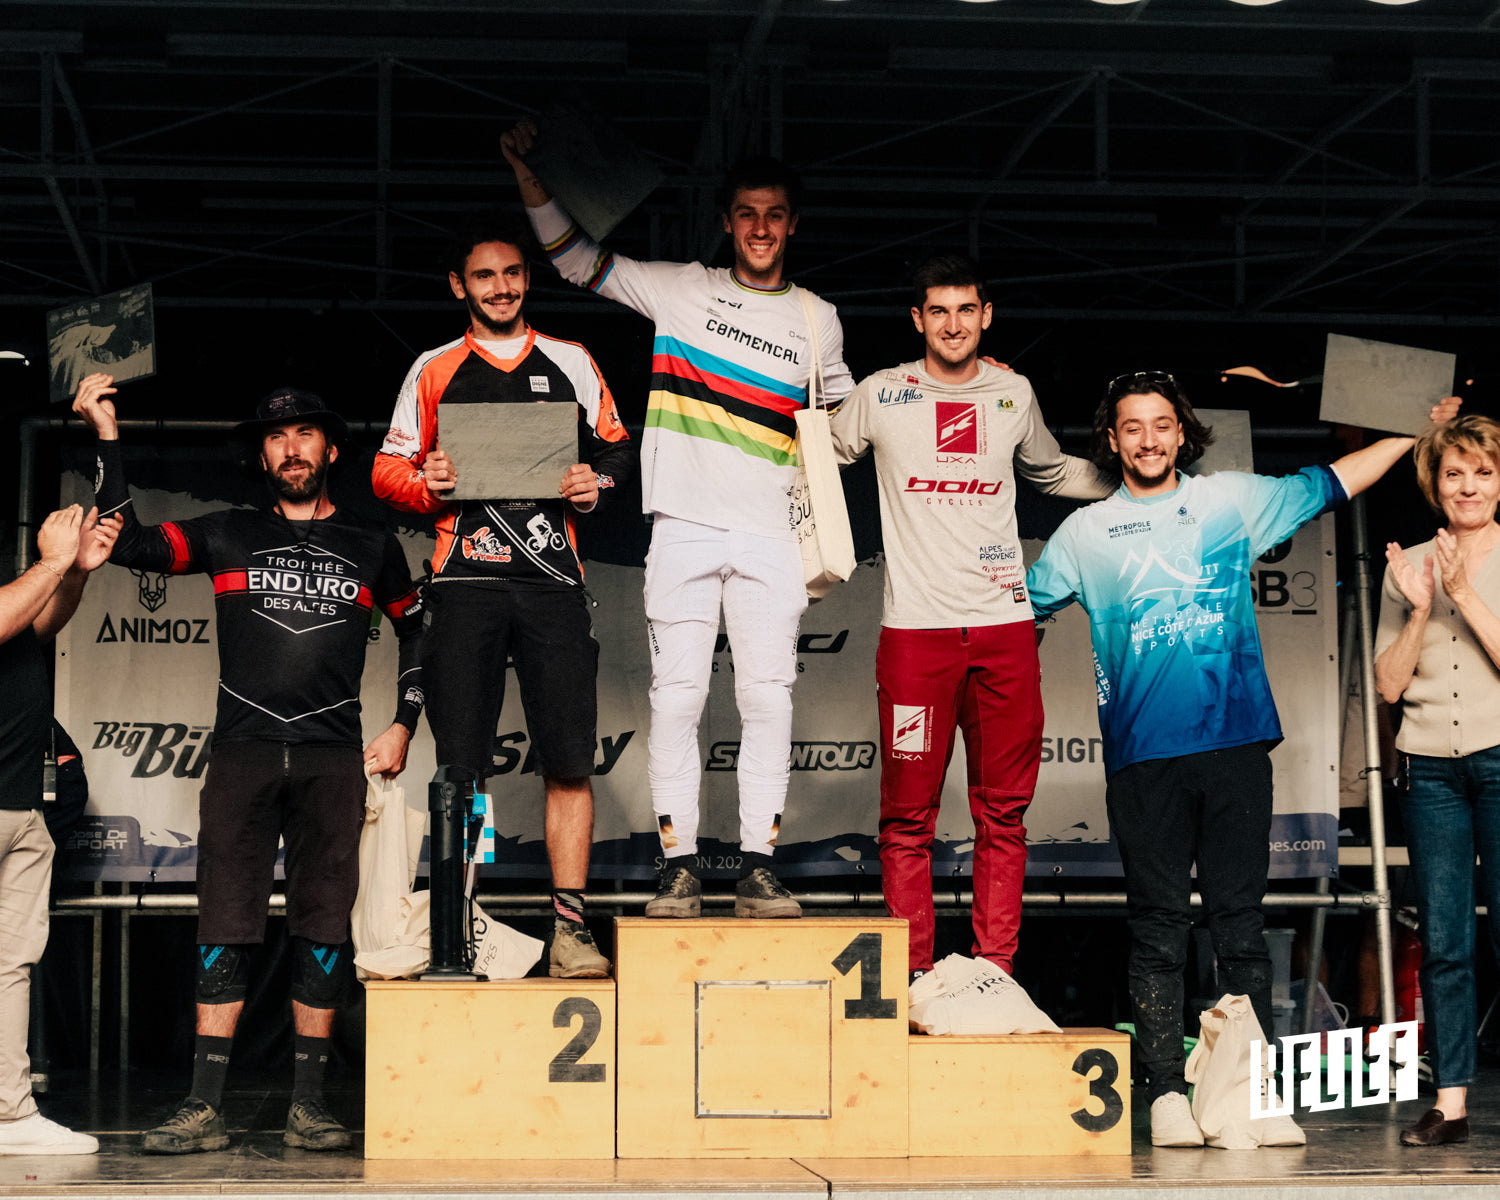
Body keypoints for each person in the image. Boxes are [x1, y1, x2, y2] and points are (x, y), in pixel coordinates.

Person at [1026, 370, 1460, 1149]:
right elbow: (1014, 614)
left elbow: (1332, 482)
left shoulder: (1227, 501)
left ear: (1181, 432)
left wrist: (1412, 433)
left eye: (1162, 424)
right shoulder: (1084, 535)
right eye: (1133, 427)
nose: (1149, 440)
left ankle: (1249, 1098)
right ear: (1113, 440)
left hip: (1234, 747)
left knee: (1240, 929)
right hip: (1142, 761)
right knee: (1158, 930)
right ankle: (1166, 1094)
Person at [501, 119, 853, 918]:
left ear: (793, 224)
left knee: (769, 699)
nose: (760, 228)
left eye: (774, 215)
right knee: (677, 699)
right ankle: (679, 867)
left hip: (772, 533)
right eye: (747, 213)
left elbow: (843, 418)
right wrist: (528, 174)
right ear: (726, 221)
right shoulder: (681, 288)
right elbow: (574, 261)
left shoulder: (817, 317)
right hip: (683, 526)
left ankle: (759, 865)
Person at [72, 373, 425, 1154]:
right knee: (224, 925)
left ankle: (310, 1106)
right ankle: (204, 1106)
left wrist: (405, 722)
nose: (291, 448)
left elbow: (417, 629)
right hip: (242, 754)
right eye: (275, 437)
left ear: (330, 450)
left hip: (333, 758)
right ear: (261, 457)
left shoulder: (373, 544)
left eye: (305, 434)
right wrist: (107, 435)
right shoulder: (228, 531)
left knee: (323, 926)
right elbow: (130, 543)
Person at [829, 254, 1111, 993]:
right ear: (917, 319)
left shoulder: (1014, 392)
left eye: (965, 310)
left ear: (986, 316)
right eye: (938, 311)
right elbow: (813, 454)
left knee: (1003, 814)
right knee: (907, 820)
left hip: (1003, 632)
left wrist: (1141, 478)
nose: (952, 325)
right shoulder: (881, 393)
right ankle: (912, 978)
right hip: (915, 638)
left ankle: (995, 976)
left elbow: (1053, 471)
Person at [372, 214, 632, 979]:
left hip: (552, 584)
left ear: (527, 278)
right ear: (460, 285)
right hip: (464, 586)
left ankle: (570, 933)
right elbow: (387, 470)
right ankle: (458, 926)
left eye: (512, 273)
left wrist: (595, 481)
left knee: (569, 765)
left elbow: (617, 448)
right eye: (484, 275)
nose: (501, 287)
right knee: (463, 771)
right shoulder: (433, 366)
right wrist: (428, 484)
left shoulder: (571, 359)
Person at [1375, 413, 1500, 1147]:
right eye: (1455, 473)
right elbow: (1389, 686)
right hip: (1429, 770)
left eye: (1483, 472)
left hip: (1499, 756)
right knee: (1446, 940)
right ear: (1435, 484)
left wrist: (1463, 591)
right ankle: (1450, 1103)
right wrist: (1422, 605)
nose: (1469, 486)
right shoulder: (1409, 566)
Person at [0, 504, 119, 1156]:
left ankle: (10, 1114)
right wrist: (51, 562)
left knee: (9, 966)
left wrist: (73, 575)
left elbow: (34, 625)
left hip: (21, 808)